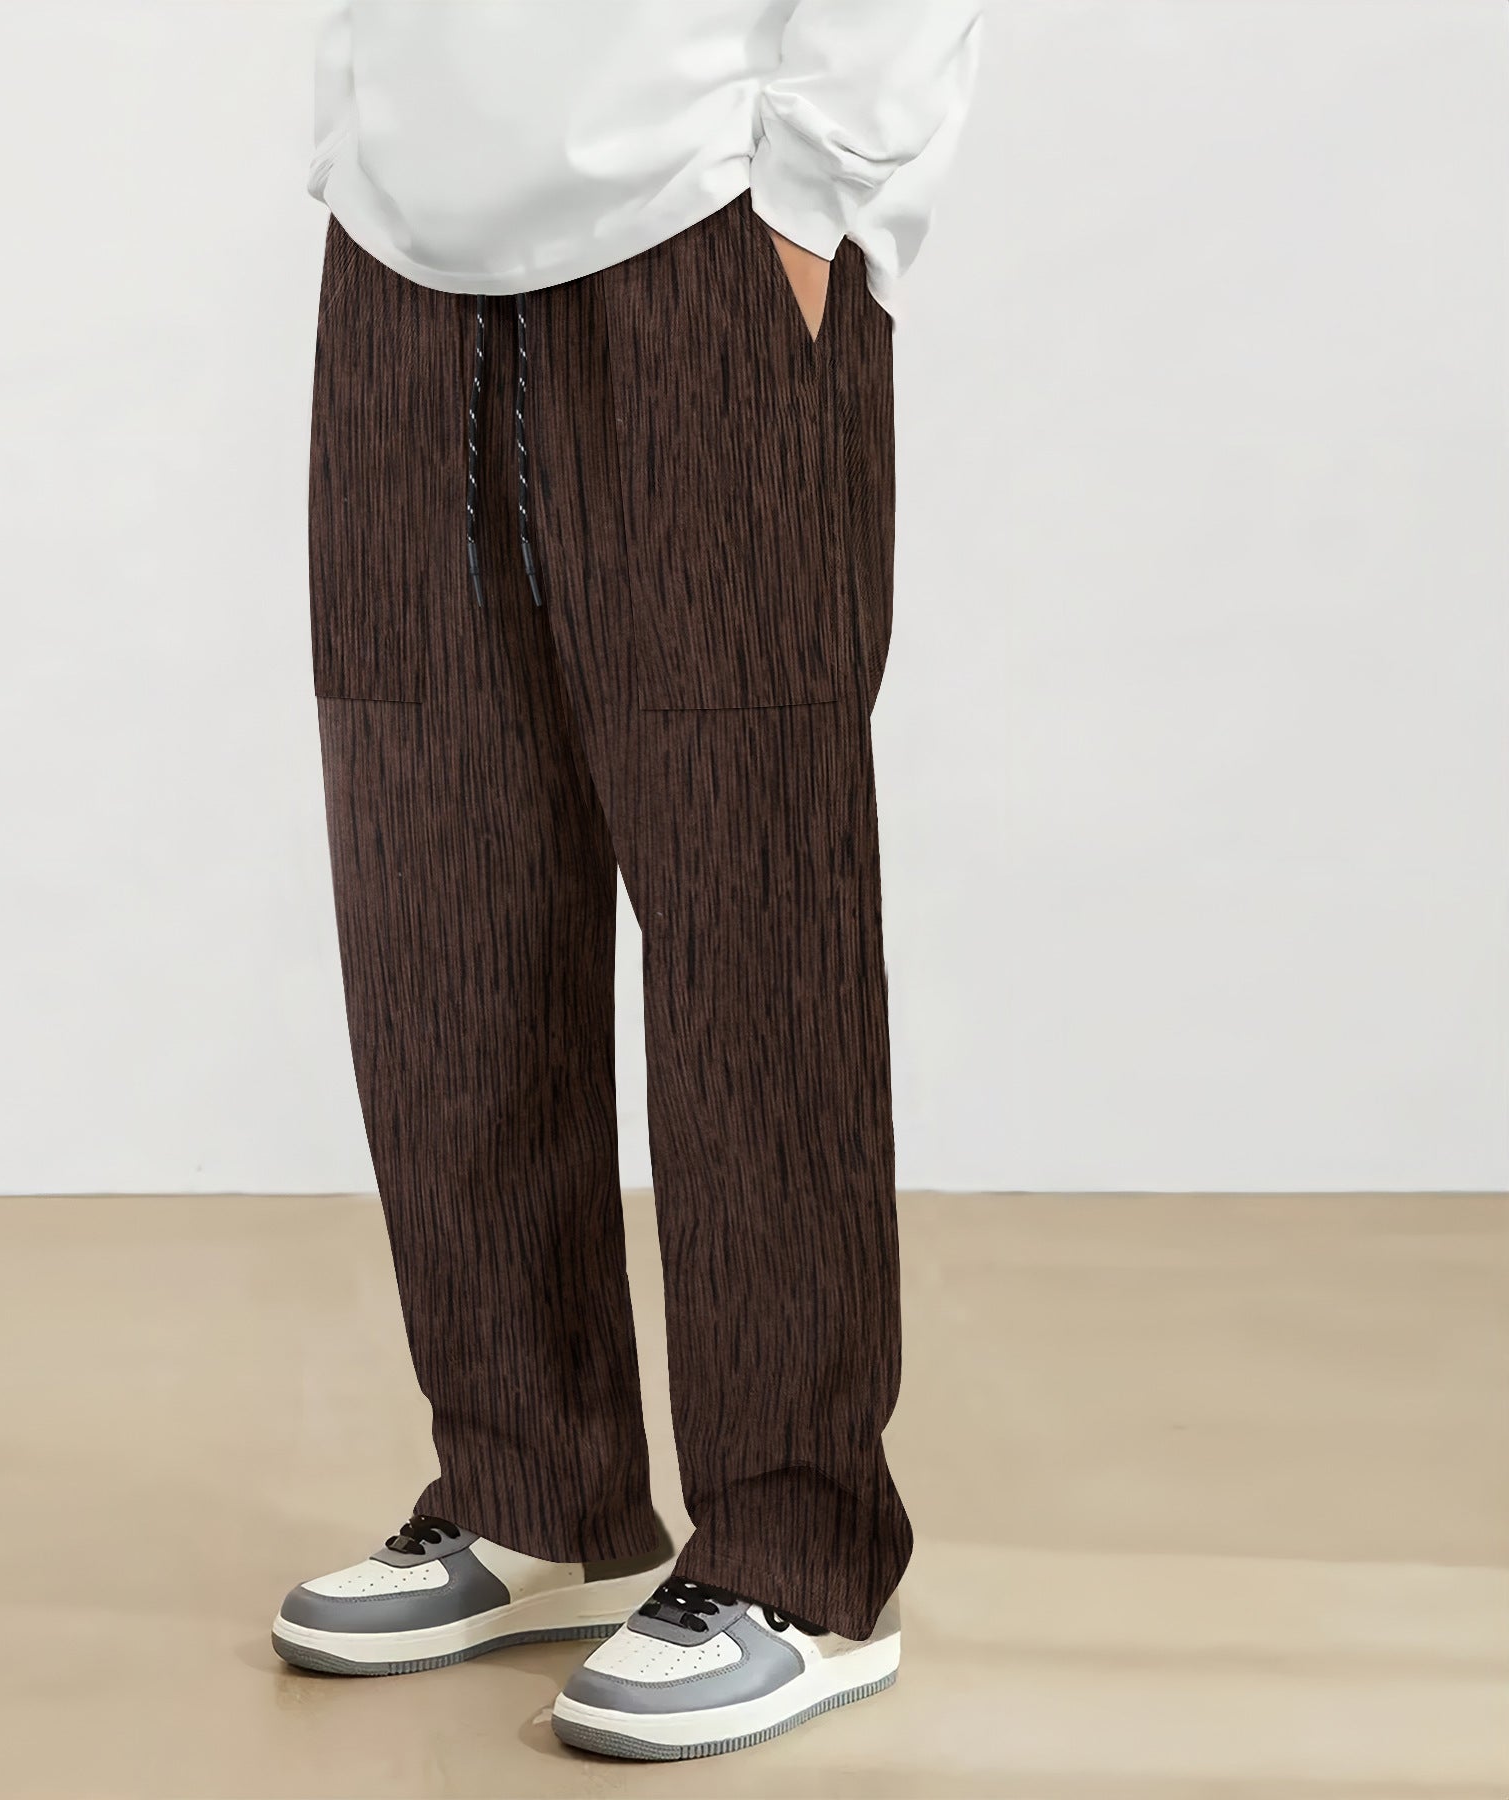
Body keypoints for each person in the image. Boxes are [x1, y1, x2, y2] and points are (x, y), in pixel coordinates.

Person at [269, 0, 983, 1761]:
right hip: (403, 258)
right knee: (436, 893)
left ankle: (801, 1554)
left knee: (751, 904)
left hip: (705, 233)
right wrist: (354, 138)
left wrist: (819, 198)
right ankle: (535, 1489)